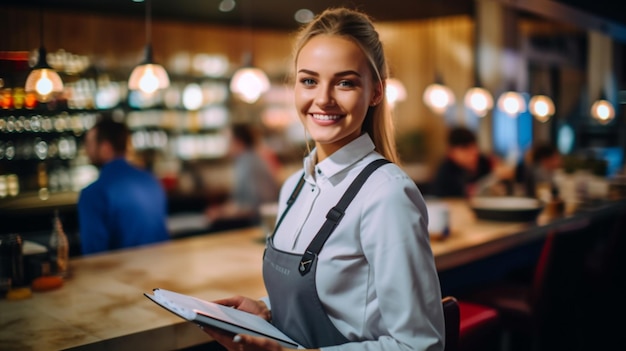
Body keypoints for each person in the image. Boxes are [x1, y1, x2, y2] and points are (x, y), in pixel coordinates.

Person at [202, 7, 444, 351]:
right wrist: (266, 311)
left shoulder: (387, 194)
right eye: (309, 80)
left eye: (345, 82)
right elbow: (333, 305)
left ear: (375, 92)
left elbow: (420, 345)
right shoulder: (294, 187)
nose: (323, 99)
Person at [77, 116, 170, 255]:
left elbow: (94, 256)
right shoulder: (150, 179)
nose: (86, 151)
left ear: (105, 148)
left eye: (89, 145)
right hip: (163, 270)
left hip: (123, 275)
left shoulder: (93, 194)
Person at [205, 123, 280, 232]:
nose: (224, 145)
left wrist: (221, 213)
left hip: (257, 225)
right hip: (256, 222)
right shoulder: (248, 159)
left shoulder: (249, 163)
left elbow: (254, 206)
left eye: (226, 140)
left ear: (238, 142)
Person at [430, 126, 514, 198]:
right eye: (465, 149)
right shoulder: (446, 171)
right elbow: (441, 197)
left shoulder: (485, 162)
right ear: (451, 152)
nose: (472, 153)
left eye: (473, 148)